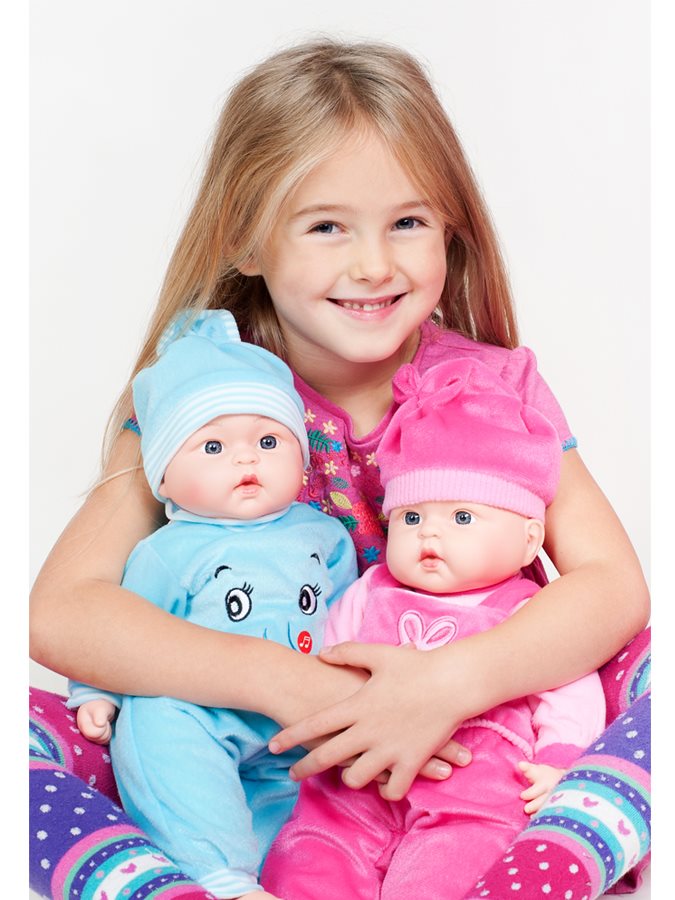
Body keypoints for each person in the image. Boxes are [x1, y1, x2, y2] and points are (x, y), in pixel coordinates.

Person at [29, 39, 650, 900]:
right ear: (245, 239)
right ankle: (198, 881)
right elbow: (64, 611)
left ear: (451, 227)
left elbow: (611, 586)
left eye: (408, 222)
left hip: (471, 742)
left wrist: (448, 685)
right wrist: (290, 683)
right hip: (270, 758)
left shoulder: (489, 390)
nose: (373, 265)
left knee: (653, 689)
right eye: (327, 226)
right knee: (26, 747)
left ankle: (523, 865)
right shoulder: (206, 397)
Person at [262, 357, 607, 899]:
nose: (429, 535)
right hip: (354, 790)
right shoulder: (371, 591)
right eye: (412, 517)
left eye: (462, 518)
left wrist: (559, 761)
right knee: (307, 856)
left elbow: (569, 691)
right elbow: (326, 659)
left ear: (529, 541)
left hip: (470, 801)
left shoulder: (528, 612)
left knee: (453, 871)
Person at [67, 309, 358, 899]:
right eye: (214, 446)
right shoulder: (168, 551)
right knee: (157, 723)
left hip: (305, 712)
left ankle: (294, 877)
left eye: (269, 442)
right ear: (164, 480)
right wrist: (95, 691)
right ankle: (217, 874)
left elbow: (353, 613)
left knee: (301, 803)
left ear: (302, 461)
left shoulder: (325, 536)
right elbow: (121, 630)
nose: (246, 460)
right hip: (204, 710)